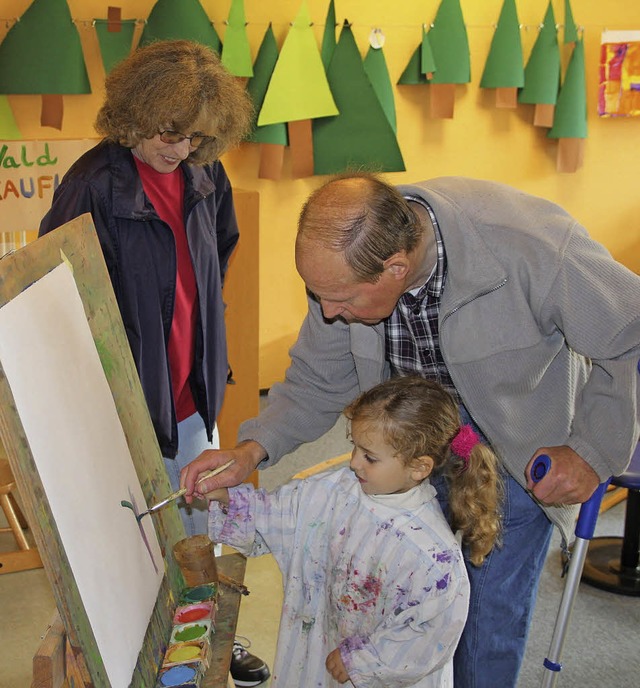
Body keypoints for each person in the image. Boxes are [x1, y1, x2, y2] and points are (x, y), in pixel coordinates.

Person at [182, 171, 640, 688]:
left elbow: (630, 334)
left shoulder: (530, 247)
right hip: (408, 449)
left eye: (340, 299)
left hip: (514, 450)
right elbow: (316, 380)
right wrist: (251, 450)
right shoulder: (347, 271)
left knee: (485, 622)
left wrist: (591, 449)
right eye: (318, 296)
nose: (328, 313)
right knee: (398, 603)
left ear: (396, 269)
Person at [38, 39, 269, 687]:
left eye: (196, 137)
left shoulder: (205, 173)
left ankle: (212, 641)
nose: (179, 149)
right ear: (136, 113)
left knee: (201, 528)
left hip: (193, 391)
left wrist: (199, 333)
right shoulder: (92, 185)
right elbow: (61, 297)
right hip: (128, 400)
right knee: (135, 536)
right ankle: (144, 652)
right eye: (169, 132)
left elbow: (219, 248)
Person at [204, 376, 501, 687]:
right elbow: (281, 513)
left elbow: (426, 635)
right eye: (354, 447)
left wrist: (363, 659)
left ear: (419, 467)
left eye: (370, 457)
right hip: (318, 650)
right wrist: (228, 498)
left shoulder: (432, 558)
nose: (354, 462)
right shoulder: (336, 489)